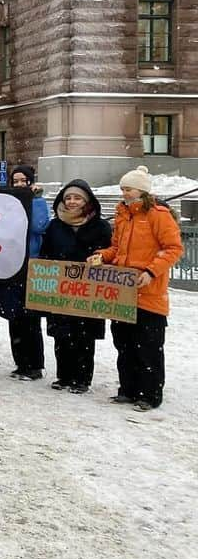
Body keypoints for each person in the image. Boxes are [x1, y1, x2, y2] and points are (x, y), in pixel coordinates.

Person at [93, 166, 183, 411]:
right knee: (124, 345)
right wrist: (102, 256)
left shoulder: (158, 214)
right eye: (122, 189)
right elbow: (117, 249)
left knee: (148, 348)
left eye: (128, 189)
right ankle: (128, 389)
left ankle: (149, 394)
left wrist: (151, 271)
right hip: (123, 293)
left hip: (149, 294)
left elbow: (173, 248)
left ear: (141, 191)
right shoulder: (123, 214)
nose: (124, 193)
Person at [40, 180, 112, 394]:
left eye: (77, 198)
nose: (72, 202)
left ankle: (81, 378)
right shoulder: (55, 225)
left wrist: (98, 259)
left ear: (87, 201)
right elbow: (46, 254)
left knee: (84, 336)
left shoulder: (100, 226)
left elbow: (108, 254)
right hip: (60, 290)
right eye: (68, 197)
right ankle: (64, 376)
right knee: (61, 336)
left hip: (88, 291)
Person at [0, 164, 49, 381]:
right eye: (15, 181)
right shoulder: (6, 203)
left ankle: (34, 365)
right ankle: (21, 363)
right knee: (13, 317)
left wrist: (36, 199)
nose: (19, 185)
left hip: (30, 266)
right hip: (10, 265)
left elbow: (38, 226)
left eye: (23, 181)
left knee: (30, 319)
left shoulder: (36, 201)